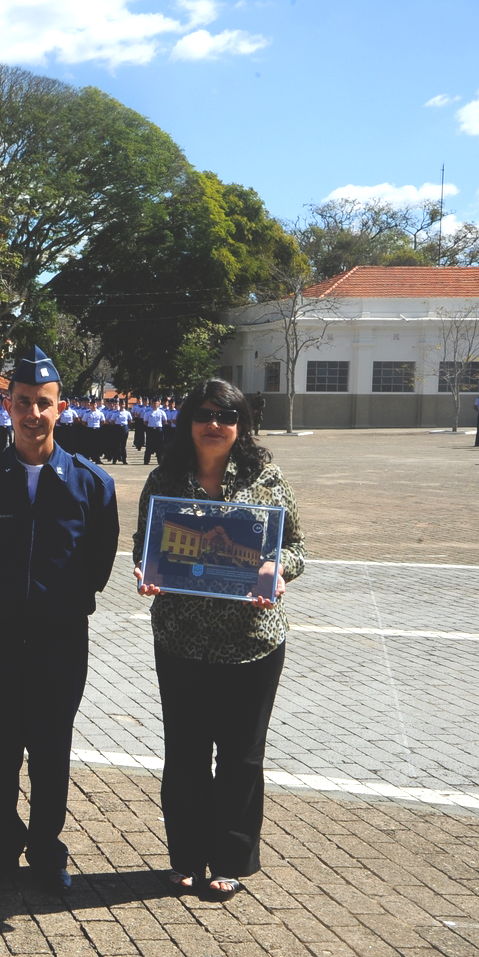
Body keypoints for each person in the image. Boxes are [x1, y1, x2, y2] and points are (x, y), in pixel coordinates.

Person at [0, 345, 118, 893]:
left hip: (59, 639)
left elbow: (98, 560)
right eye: (22, 403)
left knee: (50, 752)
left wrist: (54, 604)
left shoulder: (91, 483)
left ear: (60, 407)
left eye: (43, 403)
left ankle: (46, 851)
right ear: (6, 408)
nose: (32, 414)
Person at [131, 378, 304, 900]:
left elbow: (295, 545)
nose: (214, 425)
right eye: (204, 414)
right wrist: (147, 570)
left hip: (252, 641)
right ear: (188, 421)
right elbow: (145, 543)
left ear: (241, 425)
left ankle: (229, 857)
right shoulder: (165, 479)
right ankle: (185, 856)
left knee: (242, 756)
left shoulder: (267, 479)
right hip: (182, 639)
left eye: (226, 416)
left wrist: (277, 570)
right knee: (184, 753)